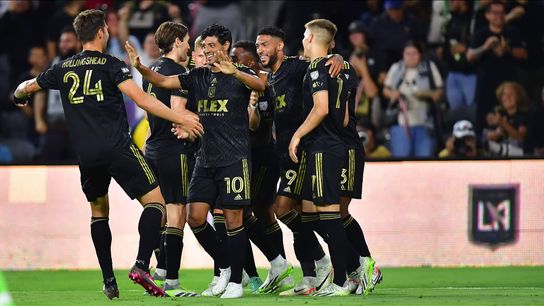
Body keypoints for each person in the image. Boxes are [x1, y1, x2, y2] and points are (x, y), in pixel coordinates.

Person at [13, 9, 203, 299]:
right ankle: (141, 265)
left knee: (99, 213)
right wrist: (182, 118)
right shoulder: (111, 65)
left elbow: (27, 87)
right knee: (156, 204)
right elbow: (142, 100)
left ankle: (109, 281)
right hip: (117, 148)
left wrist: (19, 96)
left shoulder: (62, 68)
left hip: (87, 156)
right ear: (101, 32)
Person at [126, 24, 288, 299]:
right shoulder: (197, 75)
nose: (206, 51)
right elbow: (164, 82)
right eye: (204, 47)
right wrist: (140, 67)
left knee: (235, 219)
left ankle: (236, 281)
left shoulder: (241, 74)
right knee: (195, 216)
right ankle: (226, 269)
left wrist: (234, 71)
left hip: (234, 158)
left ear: (225, 46)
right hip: (204, 159)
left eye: (212, 46)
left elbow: (262, 85)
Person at [255, 26, 344, 296]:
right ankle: (309, 276)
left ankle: (327, 261)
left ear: (280, 46)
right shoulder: (267, 82)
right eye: (258, 46)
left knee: (282, 209)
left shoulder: (296, 67)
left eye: (265, 45)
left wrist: (338, 56)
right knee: (301, 217)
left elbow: (323, 59)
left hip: (304, 150)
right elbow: (262, 121)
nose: (260, 50)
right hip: (283, 153)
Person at [288, 18, 352, 297]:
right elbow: (346, 115)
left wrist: (297, 135)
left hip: (323, 147)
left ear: (312, 38)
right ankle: (348, 273)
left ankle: (343, 279)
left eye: (304, 34)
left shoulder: (316, 68)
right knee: (323, 214)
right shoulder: (343, 69)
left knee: (328, 214)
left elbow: (322, 107)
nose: (302, 39)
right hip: (338, 144)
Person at [141, 21, 199, 298]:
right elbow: (179, 113)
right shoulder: (179, 73)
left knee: (161, 212)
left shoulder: (151, 69)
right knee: (177, 213)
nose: (189, 45)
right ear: (177, 41)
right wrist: (195, 125)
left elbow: (150, 109)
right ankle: (172, 283)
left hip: (152, 146)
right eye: (187, 40)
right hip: (173, 148)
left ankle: (160, 271)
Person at [231, 40, 292, 294]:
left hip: (261, 156)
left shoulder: (262, 87)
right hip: (241, 156)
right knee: (254, 213)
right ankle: (266, 271)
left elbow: (256, 126)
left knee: (247, 212)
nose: (232, 62)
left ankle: (270, 269)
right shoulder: (233, 84)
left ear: (249, 63)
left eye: (237, 59)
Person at [339, 60, 382, 295]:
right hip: (327, 150)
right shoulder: (310, 69)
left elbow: (344, 118)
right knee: (323, 213)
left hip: (346, 148)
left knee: (336, 211)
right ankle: (356, 269)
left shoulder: (341, 69)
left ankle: (365, 265)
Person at [467, 0, 527, 133]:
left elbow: (524, 54)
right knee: (483, 125)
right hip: (486, 88)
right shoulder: (481, 34)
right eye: (495, 13)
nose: (499, 16)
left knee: (511, 124)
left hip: (508, 88)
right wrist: (485, 47)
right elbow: (469, 56)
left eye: (501, 13)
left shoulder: (512, 31)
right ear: (487, 15)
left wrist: (508, 50)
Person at [383, 41, 444, 158]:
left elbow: (439, 91)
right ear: (403, 55)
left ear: (420, 54)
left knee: (424, 160)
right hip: (401, 122)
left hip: (425, 122)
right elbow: (386, 89)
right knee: (401, 159)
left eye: (414, 53)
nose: (411, 57)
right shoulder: (396, 67)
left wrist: (426, 94)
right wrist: (394, 94)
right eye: (408, 53)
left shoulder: (429, 67)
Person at [34, 26, 81, 161]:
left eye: (68, 41)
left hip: (78, 128)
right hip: (54, 127)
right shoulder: (51, 65)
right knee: (48, 165)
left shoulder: (85, 65)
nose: (63, 45)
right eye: (62, 41)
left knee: (77, 167)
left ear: (78, 43)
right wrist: (39, 120)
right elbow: (40, 93)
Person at [484, 81, 529, 156]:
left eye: (511, 94)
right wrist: (498, 132)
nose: (507, 97)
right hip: (498, 154)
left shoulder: (525, 115)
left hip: (518, 154)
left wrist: (503, 123)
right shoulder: (497, 113)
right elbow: (489, 137)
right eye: (504, 94)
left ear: (518, 97)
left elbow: (520, 138)